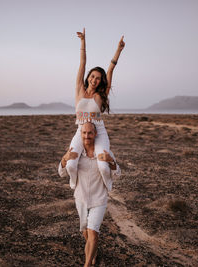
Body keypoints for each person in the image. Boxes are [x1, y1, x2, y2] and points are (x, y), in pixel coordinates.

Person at [65, 27, 125, 192]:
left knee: (104, 167)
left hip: (98, 130)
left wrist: (118, 50)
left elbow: (111, 69)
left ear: (101, 81)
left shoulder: (100, 96)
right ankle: (74, 183)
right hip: (81, 130)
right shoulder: (79, 90)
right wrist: (83, 42)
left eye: (98, 78)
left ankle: (107, 184)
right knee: (70, 165)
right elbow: (82, 63)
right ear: (88, 77)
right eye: (92, 76)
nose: (94, 80)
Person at [59, 122, 121, 267]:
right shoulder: (76, 154)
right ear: (81, 134)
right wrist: (65, 158)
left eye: (90, 133)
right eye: (84, 133)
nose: (87, 136)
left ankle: (88, 264)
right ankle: (93, 251)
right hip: (80, 198)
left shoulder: (105, 152)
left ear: (95, 134)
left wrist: (111, 161)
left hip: (99, 198)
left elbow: (117, 174)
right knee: (86, 231)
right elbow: (61, 173)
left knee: (93, 232)